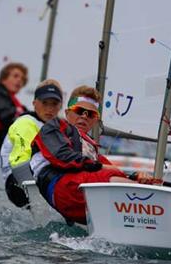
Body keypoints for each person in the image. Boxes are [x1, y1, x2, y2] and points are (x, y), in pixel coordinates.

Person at [31, 85, 159, 225]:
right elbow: (63, 156)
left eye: (91, 114)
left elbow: (110, 169)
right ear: (67, 113)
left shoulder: (91, 147)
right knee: (107, 177)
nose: (84, 117)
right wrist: (100, 167)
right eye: (79, 111)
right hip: (61, 187)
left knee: (127, 180)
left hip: (81, 192)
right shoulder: (55, 127)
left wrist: (136, 177)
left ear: (95, 120)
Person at [0, 79, 66, 208]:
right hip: (17, 183)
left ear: (60, 106)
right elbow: (19, 162)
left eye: (54, 104)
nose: (49, 108)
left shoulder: (54, 126)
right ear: (34, 103)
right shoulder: (26, 123)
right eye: (44, 103)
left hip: (37, 177)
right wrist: (36, 202)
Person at [0, 62, 29, 154]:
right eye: (15, 76)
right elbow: (6, 117)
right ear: (3, 79)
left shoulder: (14, 101)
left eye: (22, 79)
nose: (19, 80)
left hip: (7, 145)